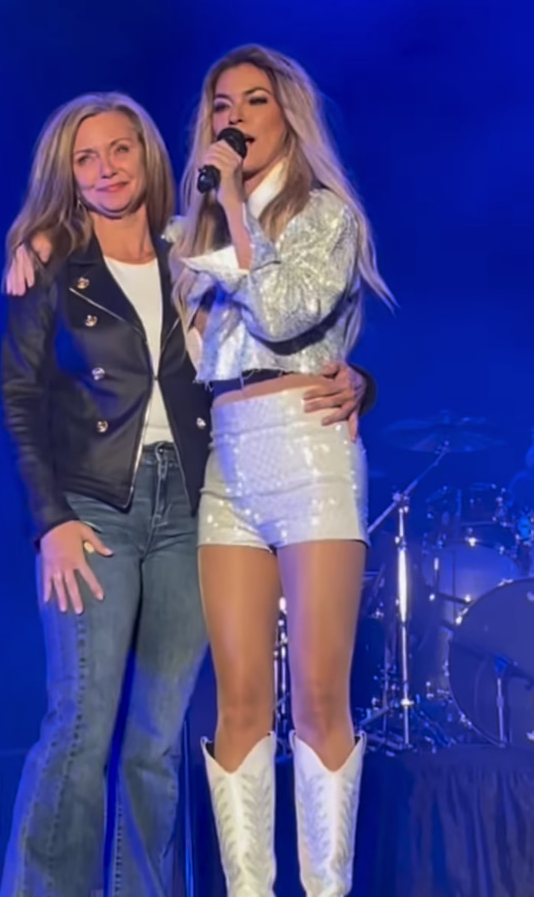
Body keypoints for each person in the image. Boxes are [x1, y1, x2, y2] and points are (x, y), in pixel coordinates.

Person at [0, 89, 373, 897]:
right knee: (77, 727)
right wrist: (49, 522)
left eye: (119, 150)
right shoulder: (53, 265)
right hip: (94, 506)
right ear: (67, 176)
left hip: (192, 502)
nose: (105, 169)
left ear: (148, 155)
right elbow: (20, 396)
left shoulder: (187, 247)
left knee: (158, 738)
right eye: (85, 159)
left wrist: (358, 381)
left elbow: (270, 340)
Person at [169, 44, 394, 897]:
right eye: (220, 104)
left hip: (308, 451)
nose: (233, 118)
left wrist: (233, 205)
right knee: (235, 706)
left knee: (316, 702)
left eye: (253, 101)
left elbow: (289, 309)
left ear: (286, 115)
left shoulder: (326, 217)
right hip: (229, 464)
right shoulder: (195, 237)